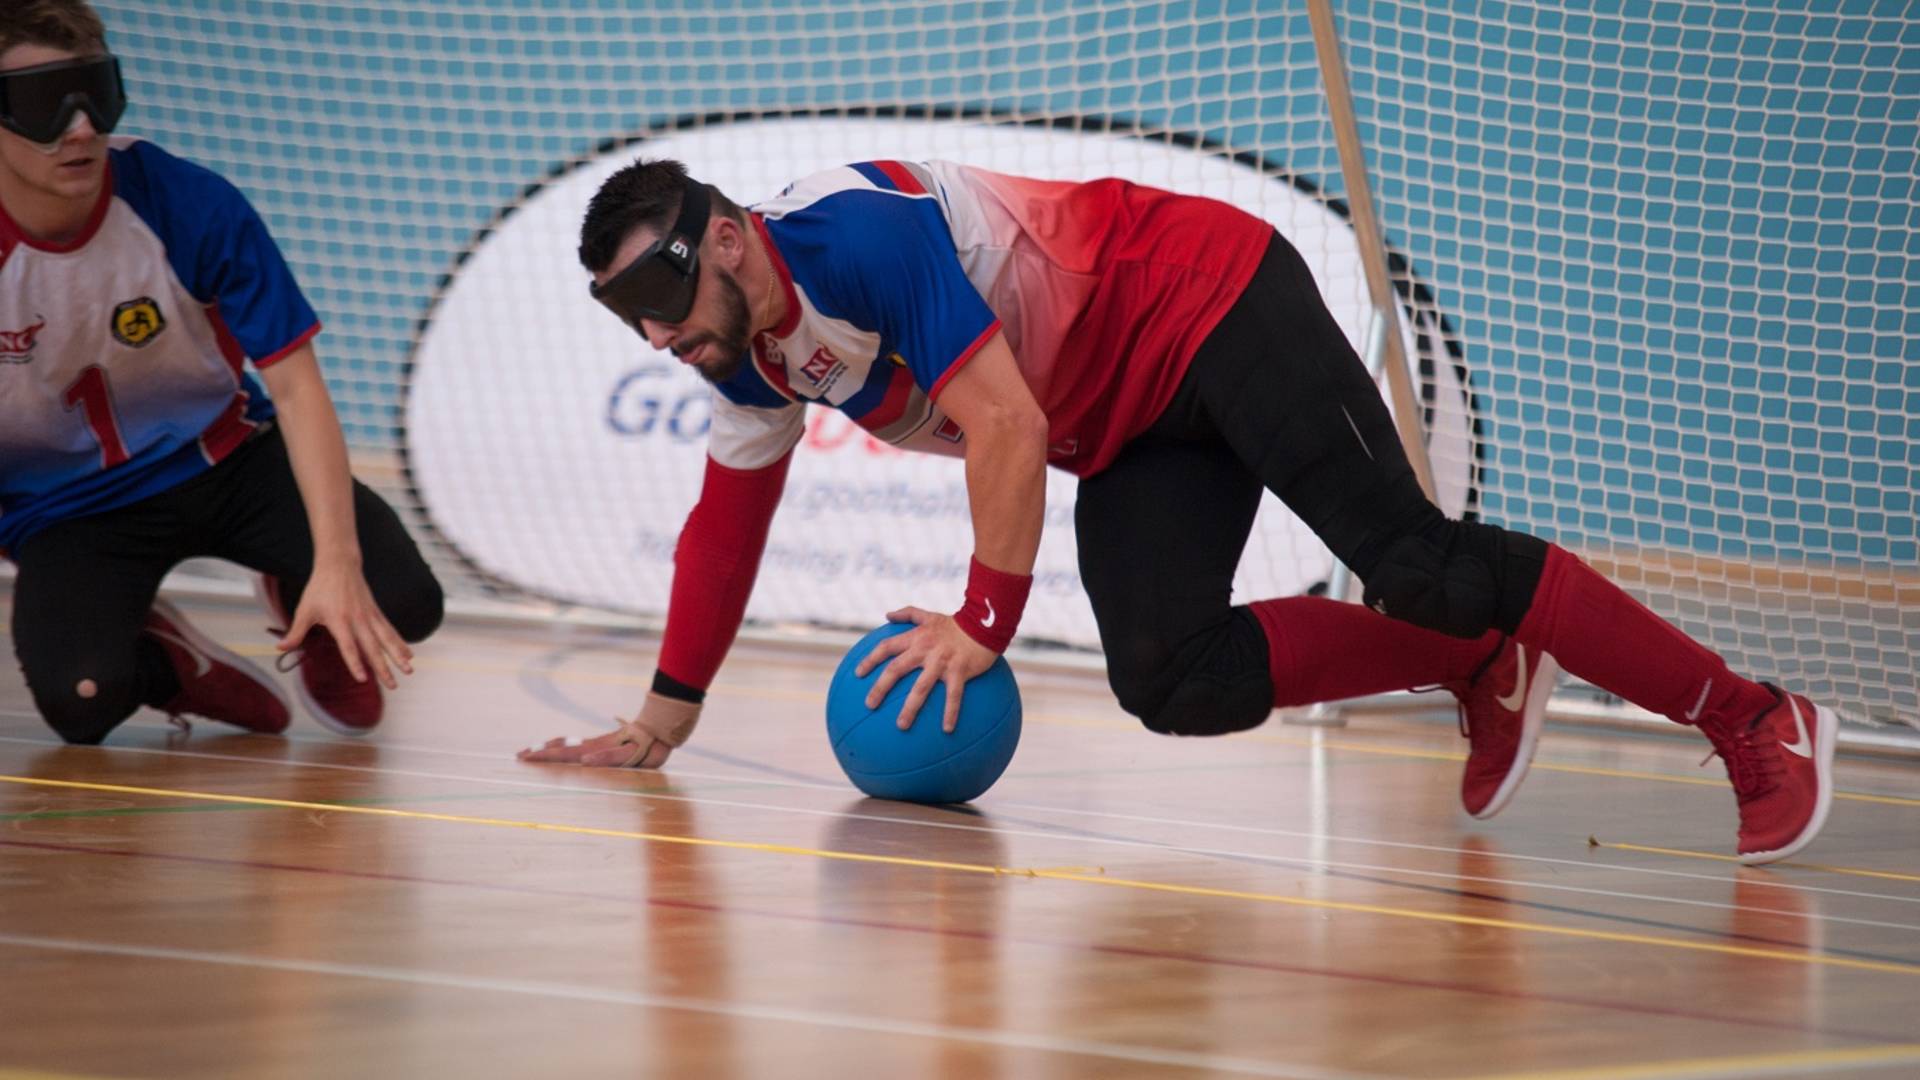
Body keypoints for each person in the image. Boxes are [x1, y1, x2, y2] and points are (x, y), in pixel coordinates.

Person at [519, 154, 1839, 866]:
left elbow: (1008, 428)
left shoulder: (861, 235)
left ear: (734, 243)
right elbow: (725, 524)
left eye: (672, 315)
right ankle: (1480, 657)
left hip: (1209, 305)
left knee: (1414, 558)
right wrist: (660, 719)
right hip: (1132, 428)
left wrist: (986, 619)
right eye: (648, 333)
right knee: (1167, 673)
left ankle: (1754, 716)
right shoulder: (743, 354)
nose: (669, 346)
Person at [0, 0, 443, 744]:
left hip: (223, 458)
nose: (80, 128)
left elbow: (298, 389)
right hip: (68, 510)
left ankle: (302, 593)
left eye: (97, 94)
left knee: (402, 598)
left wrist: (334, 564)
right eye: (45, 103)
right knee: (80, 699)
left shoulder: (186, 202)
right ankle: (176, 665)